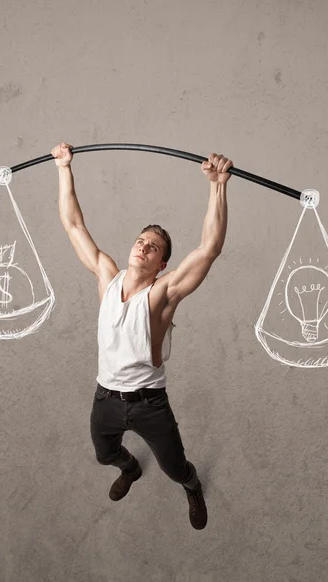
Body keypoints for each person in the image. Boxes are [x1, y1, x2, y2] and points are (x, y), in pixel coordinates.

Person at [52, 141, 233, 530]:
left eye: (153, 247)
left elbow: (209, 248)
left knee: (175, 467)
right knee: (104, 455)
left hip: (150, 405)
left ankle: (193, 484)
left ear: (161, 263)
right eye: (141, 240)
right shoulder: (106, 276)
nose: (143, 246)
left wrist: (218, 186)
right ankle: (130, 468)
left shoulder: (162, 296)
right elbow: (73, 225)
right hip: (105, 397)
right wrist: (64, 168)